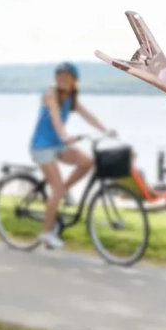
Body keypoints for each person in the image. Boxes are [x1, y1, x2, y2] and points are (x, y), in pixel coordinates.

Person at [29, 61, 116, 249]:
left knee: (87, 161)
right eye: (59, 76)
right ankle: (46, 234)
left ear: (74, 81)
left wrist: (105, 130)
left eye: (66, 77)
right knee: (58, 190)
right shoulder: (50, 94)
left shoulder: (71, 97)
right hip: (42, 147)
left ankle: (61, 191)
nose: (62, 79)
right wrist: (66, 137)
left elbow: (87, 115)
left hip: (58, 145)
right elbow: (56, 119)